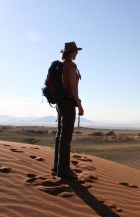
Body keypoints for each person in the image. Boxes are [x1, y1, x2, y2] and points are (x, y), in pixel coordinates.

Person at [52, 41, 84, 180]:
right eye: (76, 51)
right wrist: (79, 104)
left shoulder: (62, 65)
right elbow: (72, 87)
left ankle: (57, 166)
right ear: (72, 52)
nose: (77, 54)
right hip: (68, 103)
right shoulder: (71, 65)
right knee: (66, 137)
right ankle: (64, 170)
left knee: (60, 135)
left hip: (60, 102)